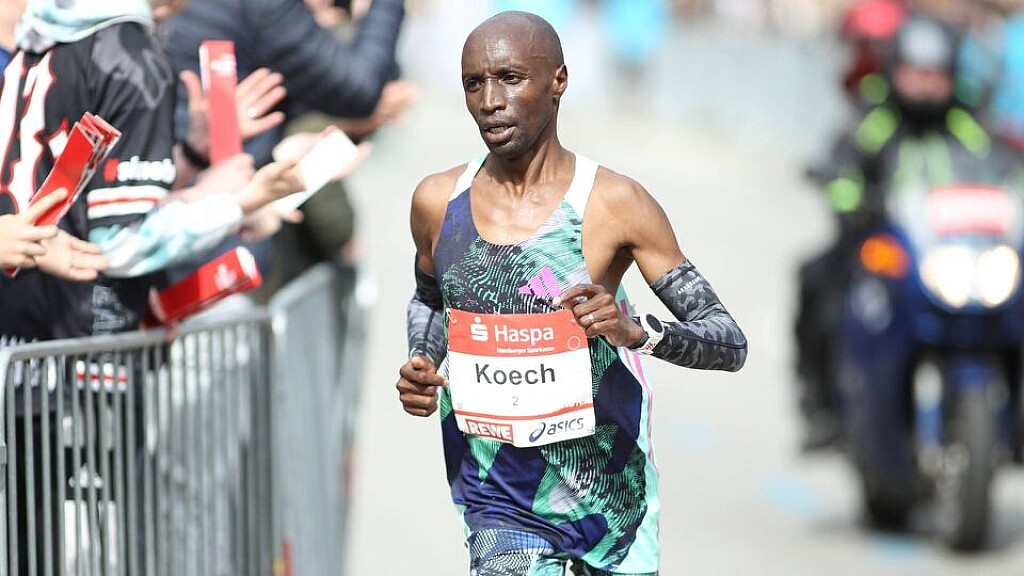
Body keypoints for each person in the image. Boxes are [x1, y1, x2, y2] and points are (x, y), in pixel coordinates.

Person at [395, 11, 747, 575]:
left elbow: (728, 342)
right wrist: (422, 358)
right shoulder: (438, 201)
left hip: (611, 502)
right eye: (473, 84)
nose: (490, 101)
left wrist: (635, 332)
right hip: (499, 502)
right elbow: (430, 299)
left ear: (558, 81)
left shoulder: (614, 203)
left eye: (510, 78)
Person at [794, 11, 1024, 451]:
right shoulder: (876, 119)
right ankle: (821, 404)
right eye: (915, 73)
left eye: (934, 75)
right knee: (818, 283)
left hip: (960, 253)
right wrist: (851, 197)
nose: (924, 85)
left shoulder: (968, 121)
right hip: (887, 252)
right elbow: (839, 166)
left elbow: (1008, 165)